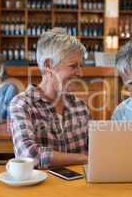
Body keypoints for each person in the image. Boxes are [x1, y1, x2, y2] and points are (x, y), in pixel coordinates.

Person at [10, 28, 91, 169]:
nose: (80, 73)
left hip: (81, 188)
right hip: (43, 188)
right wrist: (84, 159)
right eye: (73, 66)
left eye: (80, 65)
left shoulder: (81, 105)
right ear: (48, 66)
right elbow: (29, 157)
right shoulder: (22, 104)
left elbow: (95, 151)